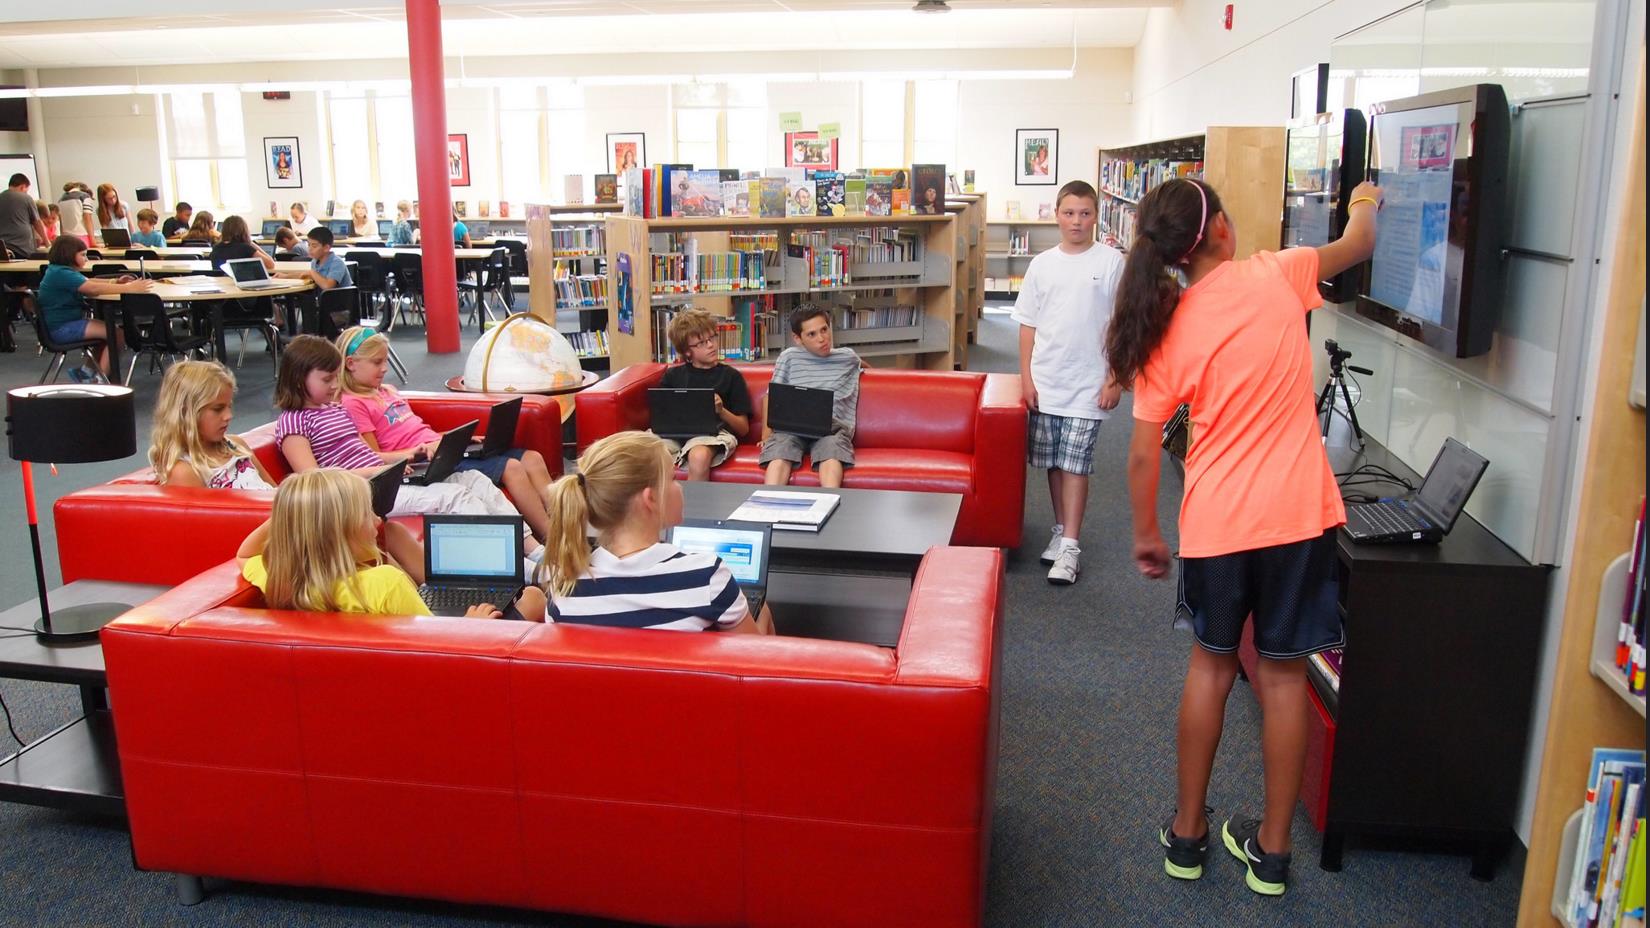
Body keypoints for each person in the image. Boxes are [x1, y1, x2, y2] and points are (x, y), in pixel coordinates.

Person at [1108, 177, 1382, 897]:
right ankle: (1272, 852)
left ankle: (1189, 835)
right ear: (1223, 231)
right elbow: (1359, 246)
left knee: (1212, 669)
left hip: (1219, 524)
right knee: (1284, 678)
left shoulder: (1168, 327)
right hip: (1298, 518)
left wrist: (1145, 534)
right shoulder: (1278, 273)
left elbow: (1141, 454)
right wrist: (1364, 201)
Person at [273, 335, 526, 527]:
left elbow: (368, 454)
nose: (335, 385)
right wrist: (377, 471)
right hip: (361, 494)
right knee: (455, 496)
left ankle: (531, 551)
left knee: (474, 480)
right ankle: (508, 566)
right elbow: (313, 480)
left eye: (335, 377)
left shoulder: (335, 409)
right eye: (326, 380)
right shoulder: (293, 422)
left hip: (385, 479)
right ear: (298, 380)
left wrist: (403, 457)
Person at [534, 431, 773, 633]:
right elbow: (750, 664)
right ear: (650, 498)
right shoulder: (705, 575)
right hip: (682, 689)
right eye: (672, 478)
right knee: (762, 612)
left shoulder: (562, 590)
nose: (679, 486)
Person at [335, 326, 555, 542]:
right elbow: (374, 455)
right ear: (351, 364)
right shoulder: (353, 404)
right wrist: (416, 452)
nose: (384, 369)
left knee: (532, 458)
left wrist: (451, 436)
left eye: (385, 361)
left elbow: (416, 430)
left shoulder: (388, 391)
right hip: (427, 462)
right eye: (377, 363)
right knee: (512, 467)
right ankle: (552, 537)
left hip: (441, 447)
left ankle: (564, 525)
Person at [1013, 179, 1125, 586]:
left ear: (1096, 216)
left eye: (1085, 213)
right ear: (1056, 216)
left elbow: (1122, 326)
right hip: (1047, 380)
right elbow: (1027, 325)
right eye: (1069, 213)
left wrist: (1116, 378)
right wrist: (1026, 378)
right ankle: (1060, 532)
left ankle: (1072, 547)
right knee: (1054, 462)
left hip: (1090, 383)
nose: (1077, 221)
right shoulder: (1042, 264)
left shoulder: (1111, 262)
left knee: (1077, 464)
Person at [235, 469, 540, 619]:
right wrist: (472, 628)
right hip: (450, 656)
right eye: (366, 515)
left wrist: (298, 512)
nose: (377, 521)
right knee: (533, 598)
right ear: (336, 534)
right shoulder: (386, 583)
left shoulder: (282, 578)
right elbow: (436, 648)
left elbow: (244, 553)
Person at [760, 304, 861, 490]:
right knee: (780, 449)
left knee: (831, 450)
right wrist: (766, 434)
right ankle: (769, 500)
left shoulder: (848, 357)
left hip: (831, 426)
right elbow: (771, 395)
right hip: (792, 425)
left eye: (824, 329)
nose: (822, 339)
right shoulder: (789, 357)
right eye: (812, 334)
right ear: (798, 339)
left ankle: (829, 500)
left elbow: (865, 368)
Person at [35, 235, 154, 382]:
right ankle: (100, 380)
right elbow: (91, 288)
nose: (86, 259)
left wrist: (116, 281)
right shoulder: (62, 274)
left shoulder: (57, 271)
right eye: (83, 255)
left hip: (57, 326)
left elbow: (88, 281)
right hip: (61, 329)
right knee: (117, 335)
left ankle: (87, 373)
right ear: (68, 255)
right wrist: (129, 288)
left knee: (107, 335)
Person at [149, 359, 278, 490]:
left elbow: (276, 493)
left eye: (229, 406)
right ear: (186, 412)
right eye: (218, 409)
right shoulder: (184, 471)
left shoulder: (236, 445)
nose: (229, 416)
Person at [656, 309, 751, 481]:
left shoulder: (731, 376)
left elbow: (743, 429)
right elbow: (660, 416)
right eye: (701, 343)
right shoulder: (672, 376)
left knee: (698, 456)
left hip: (713, 434)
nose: (711, 345)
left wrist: (722, 411)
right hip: (676, 433)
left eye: (712, 337)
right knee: (647, 452)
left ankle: (694, 508)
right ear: (686, 351)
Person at [277, 227, 351, 290]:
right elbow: (305, 275)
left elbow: (328, 286)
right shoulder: (315, 261)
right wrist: (285, 276)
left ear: (326, 248)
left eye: (314, 246)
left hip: (340, 305)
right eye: (309, 245)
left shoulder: (336, 262)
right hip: (322, 301)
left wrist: (312, 273)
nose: (310, 249)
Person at [0, 173, 47, 258]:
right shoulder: (26, 198)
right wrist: (47, 242)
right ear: (22, 186)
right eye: (26, 190)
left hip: (3, 247)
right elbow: (37, 222)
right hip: (22, 248)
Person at [208, 215, 277, 273]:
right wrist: (250, 243)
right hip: (243, 285)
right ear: (244, 230)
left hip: (221, 285)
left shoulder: (216, 248)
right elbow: (270, 264)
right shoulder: (245, 248)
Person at [56, 182, 96, 247]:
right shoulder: (85, 196)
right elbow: (87, 219)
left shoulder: (61, 199)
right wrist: (93, 242)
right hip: (81, 238)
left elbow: (61, 223)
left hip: (66, 239)